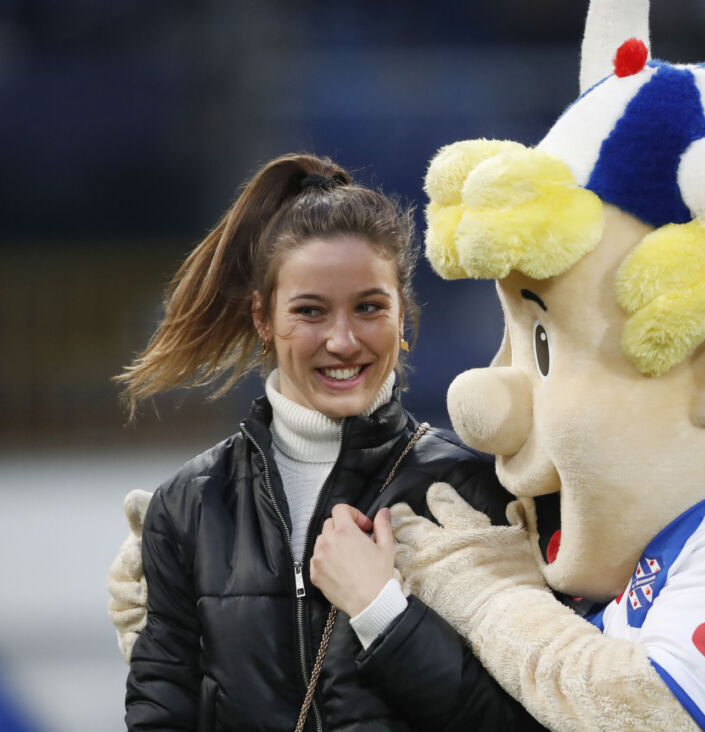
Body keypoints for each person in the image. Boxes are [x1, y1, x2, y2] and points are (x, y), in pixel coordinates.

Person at [117, 152, 545, 731]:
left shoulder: (475, 488)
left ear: (403, 315)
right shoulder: (188, 507)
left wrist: (381, 613)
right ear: (263, 318)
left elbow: (526, 720)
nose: (342, 341)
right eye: (310, 312)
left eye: (369, 307)